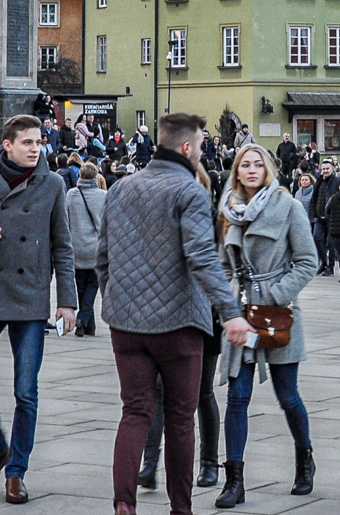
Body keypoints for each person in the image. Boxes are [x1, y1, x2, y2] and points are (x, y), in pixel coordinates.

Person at [99, 112, 248, 515]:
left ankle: (123, 503)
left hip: (126, 324)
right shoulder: (189, 191)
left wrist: (114, 300)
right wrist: (230, 311)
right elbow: (201, 256)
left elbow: (102, 257)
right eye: (200, 143)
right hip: (178, 324)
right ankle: (180, 509)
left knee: (134, 413)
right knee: (181, 418)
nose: (201, 149)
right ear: (186, 147)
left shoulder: (121, 186)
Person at [0, 114, 76, 506]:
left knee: (26, 391)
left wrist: (67, 301)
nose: (35, 148)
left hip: (29, 297)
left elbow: (63, 245)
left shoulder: (53, 184)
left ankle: (16, 472)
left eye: (38, 141)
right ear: (6, 144)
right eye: (27, 142)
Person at [212, 142, 319, 507]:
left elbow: (308, 261)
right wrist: (229, 303)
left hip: (278, 313)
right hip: (241, 314)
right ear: (237, 172)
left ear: (269, 169)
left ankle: (304, 461)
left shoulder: (286, 206)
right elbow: (223, 266)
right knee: (237, 396)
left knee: (287, 396)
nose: (252, 170)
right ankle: (234, 481)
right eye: (245, 165)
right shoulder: (228, 209)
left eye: (259, 164)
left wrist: (273, 293)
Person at [68, 162, 107, 336]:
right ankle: (83, 319)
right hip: (96, 248)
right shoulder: (103, 195)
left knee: (81, 286)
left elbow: (65, 220)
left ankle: (89, 326)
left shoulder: (71, 195)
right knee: (93, 285)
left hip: (76, 246)